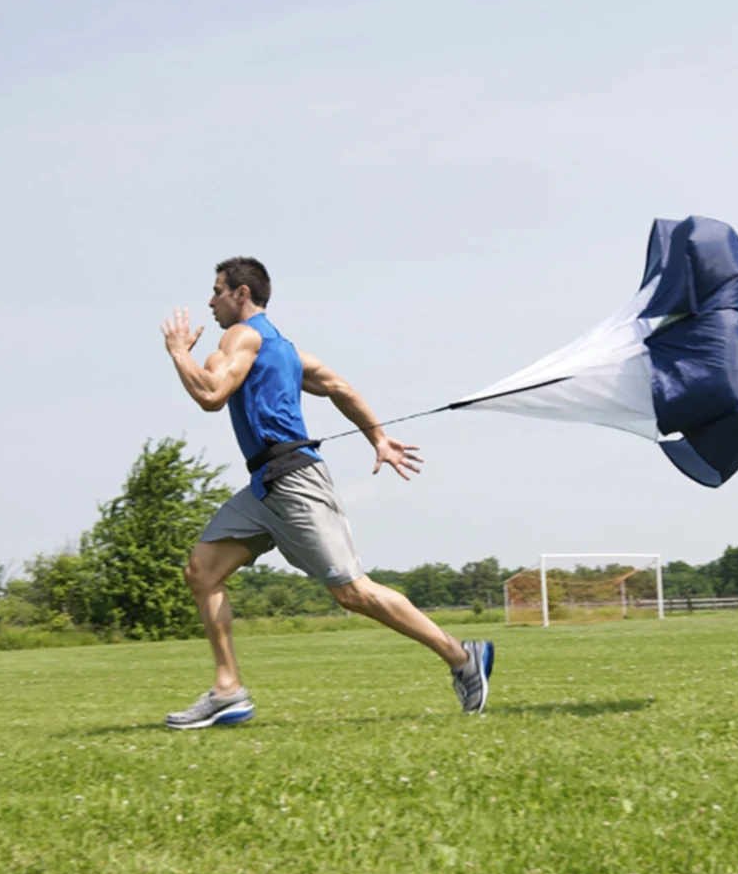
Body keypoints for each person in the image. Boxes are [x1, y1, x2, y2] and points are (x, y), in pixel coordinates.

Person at [160, 257, 494, 729]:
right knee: (202, 572)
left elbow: (212, 395)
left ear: (241, 294)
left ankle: (462, 657)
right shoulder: (285, 350)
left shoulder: (243, 336)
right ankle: (228, 690)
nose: (210, 302)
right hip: (263, 489)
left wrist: (178, 352)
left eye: (216, 291)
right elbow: (338, 385)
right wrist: (377, 437)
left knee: (353, 593)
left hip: (293, 482)